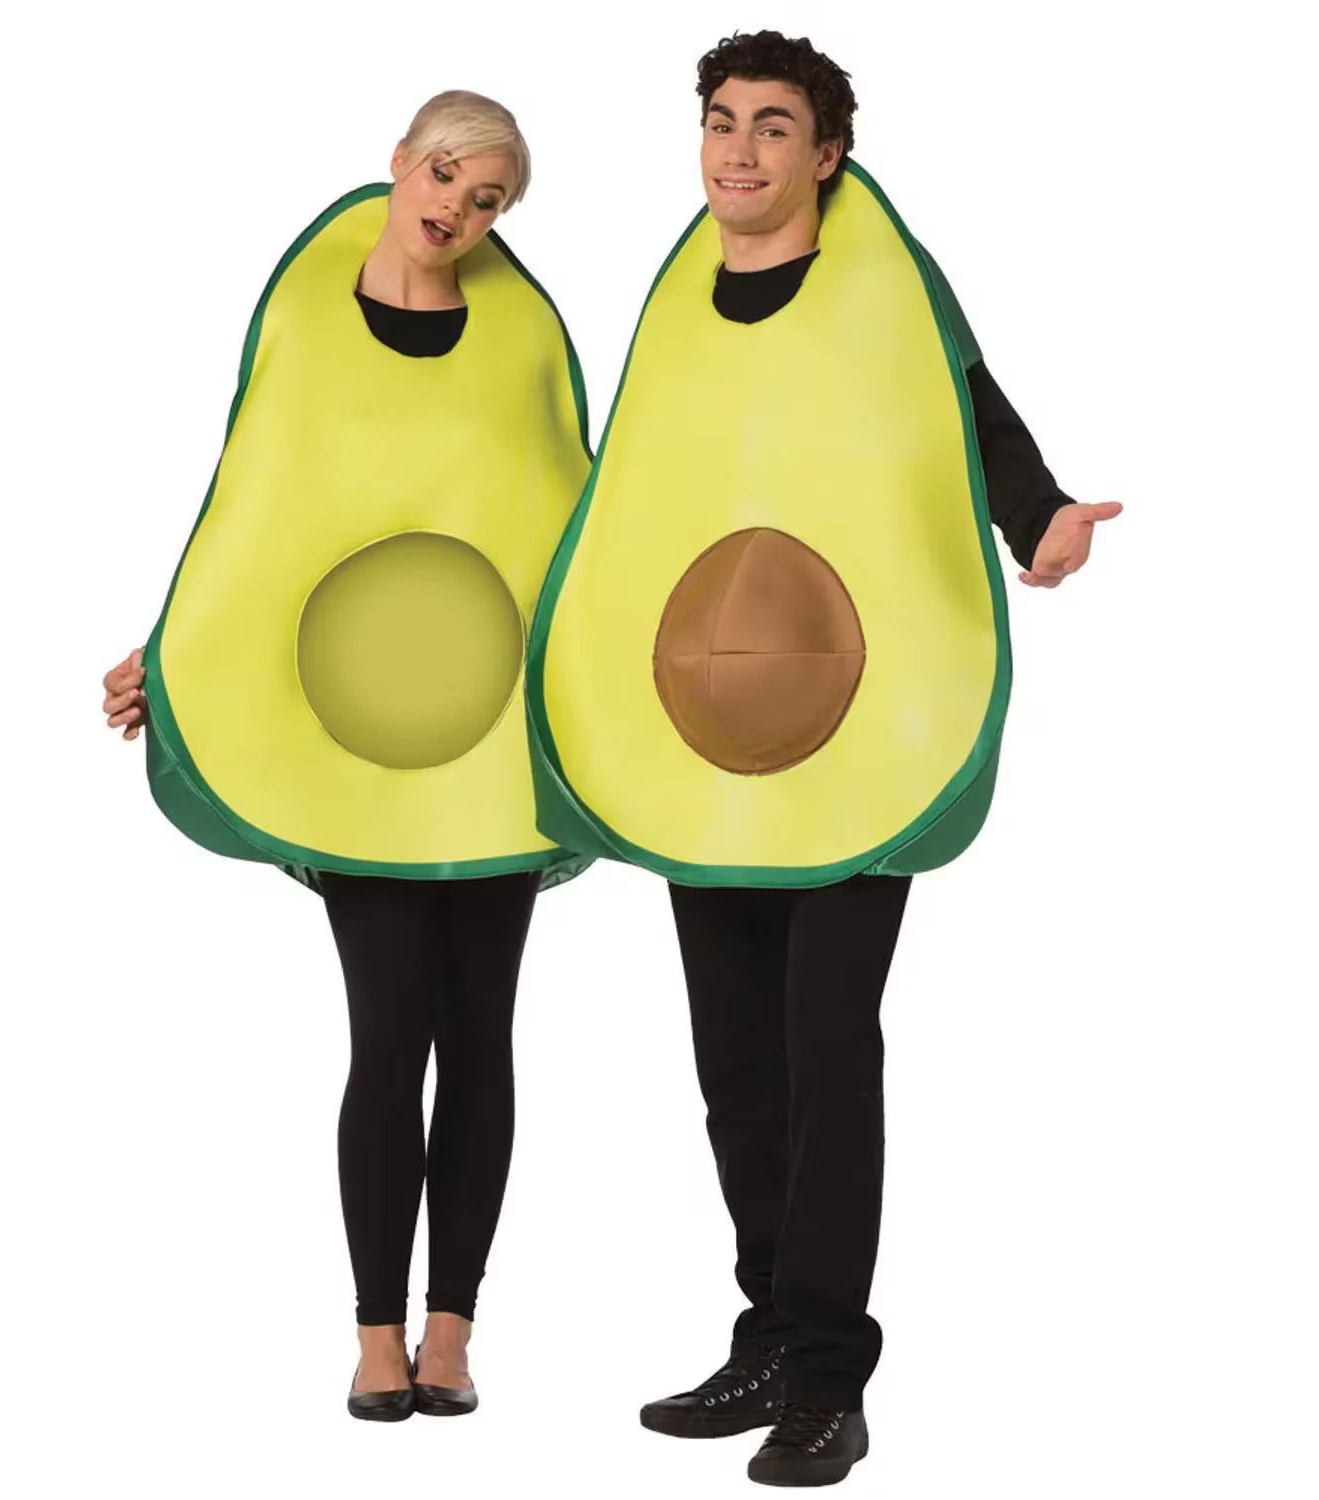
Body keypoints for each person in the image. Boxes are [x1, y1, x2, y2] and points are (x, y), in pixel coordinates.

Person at [524, 31, 1121, 1488]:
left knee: (826, 1045)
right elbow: (627, 489)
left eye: (773, 128)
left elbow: (969, 407)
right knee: (735, 1061)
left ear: (827, 155)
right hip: (704, 739)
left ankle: (829, 1376)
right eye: (721, 122)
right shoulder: (678, 307)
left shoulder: (884, 286)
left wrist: (1038, 513)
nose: (739, 152)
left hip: (860, 733)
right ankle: (770, 1334)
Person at [101, 90, 591, 1423]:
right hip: (355, 742)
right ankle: (378, 1334)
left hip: (493, 739)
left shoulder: (522, 340)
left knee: (480, 1037)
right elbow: (261, 515)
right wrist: (174, 655)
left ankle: (453, 1330)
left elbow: (573, 514)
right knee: (390, 1035)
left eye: (488, 200)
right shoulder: (309, 323)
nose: (457, 210)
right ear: (399, 162)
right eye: (444, 176)